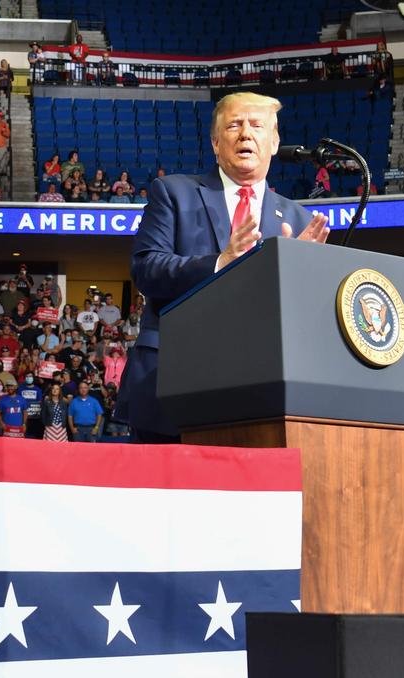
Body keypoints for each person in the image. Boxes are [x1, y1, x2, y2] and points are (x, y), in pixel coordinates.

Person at [120, 92, 329, 441]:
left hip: (263, 390)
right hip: (174, 381)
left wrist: (301, 274)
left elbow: (305, 318)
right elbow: (147, 268)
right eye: (234, 125)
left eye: (257, 125)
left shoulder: (299, 219)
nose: (246, 133)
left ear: (275, 142)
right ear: (217, 143)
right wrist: (221, 262)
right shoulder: (173, 192)